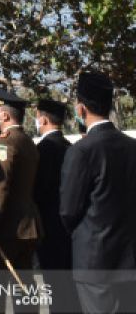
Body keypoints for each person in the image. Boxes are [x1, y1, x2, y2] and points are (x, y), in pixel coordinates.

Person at [60, 70, 136, 312]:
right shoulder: (131, 147)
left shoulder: (81, 151)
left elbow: (68, 211)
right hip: (129, 260)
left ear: (81, 109)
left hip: (94, 263)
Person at [0, 88, 40, 314]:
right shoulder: (27, 141)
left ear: (4, 116)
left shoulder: (5, 143)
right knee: (24, 287)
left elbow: (0, 189)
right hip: (27, 227)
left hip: (6, 230)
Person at [32, 98, 79, 314]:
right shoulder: (72, 149)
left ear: (43, 120)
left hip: (49, 231)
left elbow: (35, 192)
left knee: (56, 292)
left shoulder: (40, 151)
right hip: (72, 232)